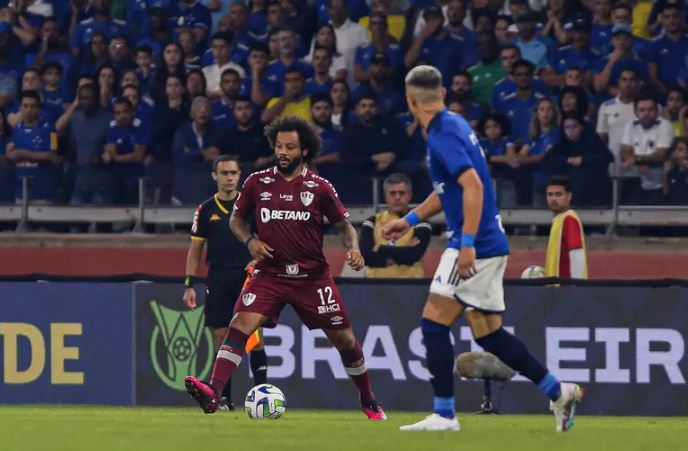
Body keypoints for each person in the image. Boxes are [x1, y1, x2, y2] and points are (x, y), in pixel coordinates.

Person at [383, 65, 582, 432]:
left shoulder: (441, 134)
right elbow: (450, 190)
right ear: (442, 94)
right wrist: (409, 220)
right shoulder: (455, 124)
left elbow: (473, 187)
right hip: (488, 238)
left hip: (474, 243)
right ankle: (559, 390)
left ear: (411, 100)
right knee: (488, 333)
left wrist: (469, 244)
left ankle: (444, 415)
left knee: (432, 323)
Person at [184, 115, 387, 421]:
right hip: (270, 274)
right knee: (239, 325)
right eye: (279, 145)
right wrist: (250, 241)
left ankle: (368, 399)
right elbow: (236, 221)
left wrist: (354, 248)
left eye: (290, 147)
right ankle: (213, 392)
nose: (283, 151)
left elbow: (344, 226)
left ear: (304, 150)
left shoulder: (319, 188)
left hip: (312, 278)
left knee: (345, 339)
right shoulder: (257, 182)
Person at [184, 155, 268, 411]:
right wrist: (189, 283)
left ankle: (262, 398)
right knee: (221, 337)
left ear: (239, 175)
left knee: (253, 337)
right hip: (218, 276)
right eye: (224, 173)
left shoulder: (251, 207)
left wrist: (258, 263)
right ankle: (224, 400)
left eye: (233, 173)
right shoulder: (205, 209)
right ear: (215, 176)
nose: (229, 177)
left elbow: (267, 240)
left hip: (249, 277)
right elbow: (195, 249)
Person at [361, 173, 431, 278]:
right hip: (374, 286)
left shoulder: (420, 223)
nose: (397, 197)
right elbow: (365, 256)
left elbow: (414, 254)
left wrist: (381, 249)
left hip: (411, 287)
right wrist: (403, 251)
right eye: (393, 193)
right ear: (385, 197)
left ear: (409, 196)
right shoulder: (371, 222)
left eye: (401, 193)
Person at [620, 94, 673, 205]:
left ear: (657, 110)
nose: (646, 113)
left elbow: (660, 155)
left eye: (650, 109)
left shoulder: (665, 125)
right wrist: (639, 163)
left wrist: (636, 159)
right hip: (637, 180)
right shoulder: (631, 125)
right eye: (642, 110)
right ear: (636, 112)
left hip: (661, 183)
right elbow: (624, 152)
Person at [544, 176, 588, 279]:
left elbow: (577, 253)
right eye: (550, 195)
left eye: (558, 194)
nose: (553, 198)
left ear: (569, 196)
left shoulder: (569, 219)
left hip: (566, 290)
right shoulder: (559, 220)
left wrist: (576, 286)